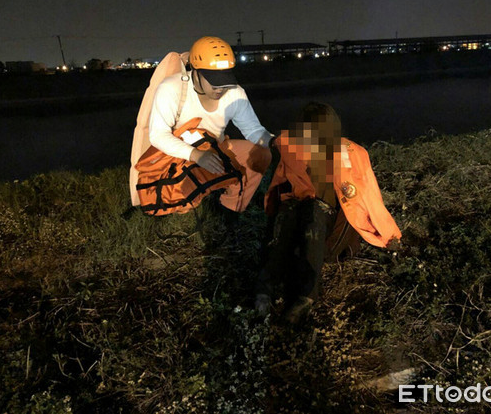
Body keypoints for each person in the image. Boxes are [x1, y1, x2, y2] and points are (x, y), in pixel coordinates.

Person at [255, 102, 402, 323]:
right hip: (298, 229)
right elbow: (278, 191)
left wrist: (391, 236)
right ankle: (263, 292)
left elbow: (372, 197)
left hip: (332, 233)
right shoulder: (294, 152)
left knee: (314, 210)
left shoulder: (352, 154)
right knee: (290, 211)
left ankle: (306, 296)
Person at [134, 36, 273, 224]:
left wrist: (275, 142)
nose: (220, 88)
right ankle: (192, 200)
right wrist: (196, 155)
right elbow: (158, 135)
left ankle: (230, 209)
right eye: (213, 80)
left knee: (261, 155)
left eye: (225, 78)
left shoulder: (234, 92)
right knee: (183, 206)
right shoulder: (172, 88)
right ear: (195, 71)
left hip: (217, 147)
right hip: (180, 155)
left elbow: (253, 130)